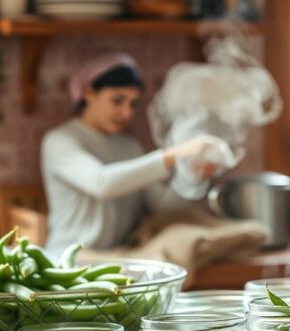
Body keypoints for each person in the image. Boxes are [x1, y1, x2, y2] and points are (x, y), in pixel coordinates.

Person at [40, 52, 227, 250]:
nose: (127, 112)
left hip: (118, 257)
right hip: (69, 260)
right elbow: (101, 184)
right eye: (117, 100)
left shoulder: (129, 146)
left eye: (133, 103)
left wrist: (193, 176)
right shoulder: (59, 141)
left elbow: (163, 207)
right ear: (88, 93)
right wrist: (174, 154)